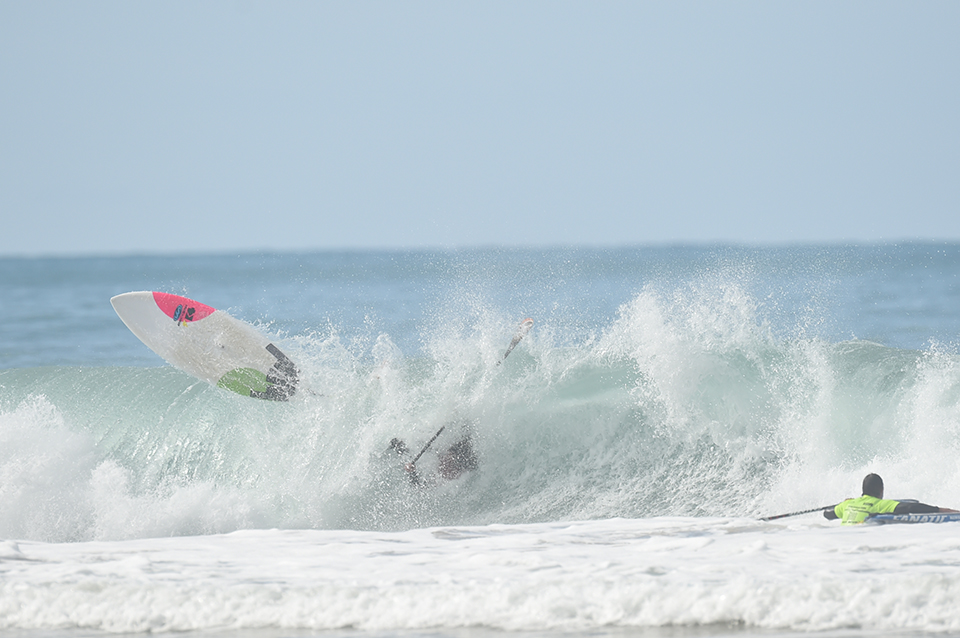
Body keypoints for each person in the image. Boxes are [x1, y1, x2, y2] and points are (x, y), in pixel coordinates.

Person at [824, 473, 958, 525]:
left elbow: (828, 514)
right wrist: (939, 509)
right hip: (862, 542)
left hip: (843, 541)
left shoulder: (847, 505)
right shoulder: (880, 504)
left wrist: (843, 503)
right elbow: (910, 507)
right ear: (881, 490)